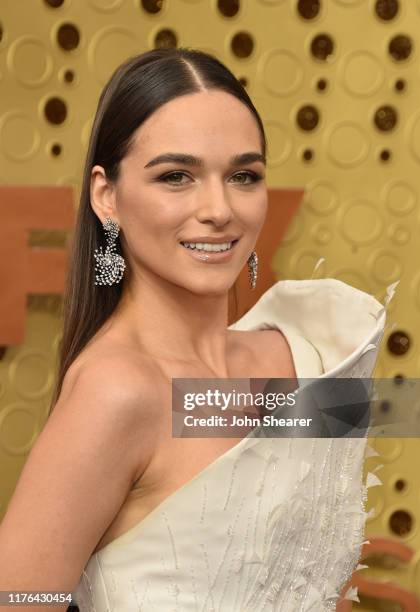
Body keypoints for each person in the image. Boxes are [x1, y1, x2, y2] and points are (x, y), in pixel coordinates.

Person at [0, 48, 390, 611]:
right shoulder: (119, 390)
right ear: (106, 196)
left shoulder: (304, 353)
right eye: (176, 176)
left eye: (243, 175)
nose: (219, 208)